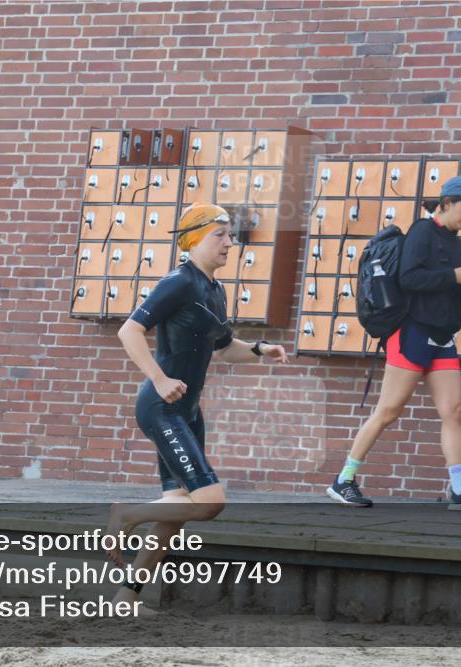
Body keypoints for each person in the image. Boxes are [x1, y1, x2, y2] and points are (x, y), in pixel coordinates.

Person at [106, 202, 289, 608]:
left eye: (230, 235)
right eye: (219, 235)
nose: (230, 242)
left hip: (187, 412)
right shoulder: (180, 282)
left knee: (174, 516)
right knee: (210, 502)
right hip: (161, 406)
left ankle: (125, 599)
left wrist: (261, 349)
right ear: (194, 239)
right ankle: (126, 513)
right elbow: (129, 331)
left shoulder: (213, 289)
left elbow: (224, 348)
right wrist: (159, 377)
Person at [326, 175, 461, 510]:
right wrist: (453, 275)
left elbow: (453, 302)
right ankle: (343, 480)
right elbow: (409, 279)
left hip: (442, 334)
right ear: (447, 203)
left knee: (454, 410)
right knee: (388, 411)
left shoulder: (457, 245)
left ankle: (460, 489)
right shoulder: (422, 231)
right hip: (412, 333)